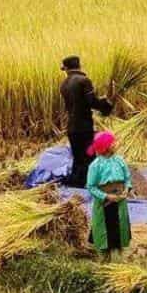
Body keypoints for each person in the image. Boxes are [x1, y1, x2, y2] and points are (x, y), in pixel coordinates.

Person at [60, 55, 114, 188]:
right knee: (89, 156)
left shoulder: (64, 84)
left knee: (78, 158)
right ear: (79, 65)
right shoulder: (84, 81)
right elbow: (91, 102)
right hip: (84, 127)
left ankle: (78, 182)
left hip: (72, 127)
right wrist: (106, 104)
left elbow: (74, 104)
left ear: (66, 68)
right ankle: (92, 183)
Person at [85, 131, 132, 262]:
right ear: (105, 147)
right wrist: (106, 196)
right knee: (104, 229)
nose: (115, 144)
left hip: (120, 200)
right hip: (105, 202)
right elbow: (91, 186)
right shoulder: (95, 166)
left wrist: (127, 189)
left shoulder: (120, 160)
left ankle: (118, 256)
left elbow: (127, 178)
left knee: (119, 226)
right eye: (112, 143)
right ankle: (104, 258)